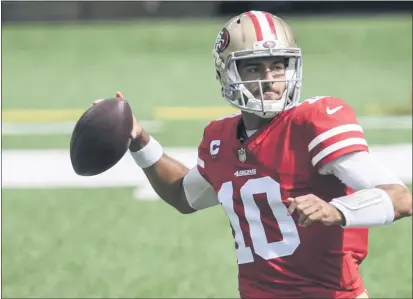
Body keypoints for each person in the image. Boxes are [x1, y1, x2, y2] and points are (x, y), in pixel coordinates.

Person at [95, 11, 412, 299]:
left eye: (278, 65)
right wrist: (138, 139)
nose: (270, 79)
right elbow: (183, 195)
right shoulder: (220, 140)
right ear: (228, 74)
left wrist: (336, 210)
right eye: (253, 67)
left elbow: (400, 198)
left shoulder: (313, 122)